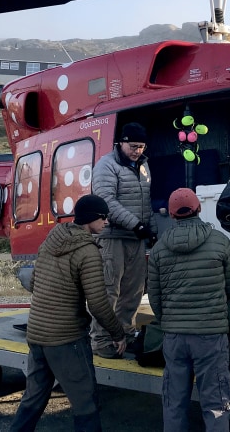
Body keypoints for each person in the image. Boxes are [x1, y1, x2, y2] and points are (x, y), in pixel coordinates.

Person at [10, 195, 127, 432]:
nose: (107, 222)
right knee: (86, 403)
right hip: (66, 339)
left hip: (37, 336)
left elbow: (34, 283)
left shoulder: (50, 241)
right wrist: (118, 333)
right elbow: (97, 304)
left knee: (33, 398)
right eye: (103, 217)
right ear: (91, 218)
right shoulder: (87, 252)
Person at [148, 188, 230, 432]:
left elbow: (154, 296)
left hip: (175, 337)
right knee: (215, 403)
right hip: (211, 335)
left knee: (174, 401)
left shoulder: (158, 249)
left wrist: (170, 321)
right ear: (198, 209)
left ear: (173, 215)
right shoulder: (220, 242)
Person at [91, 122, 157, 358]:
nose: (137, 151)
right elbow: (106, 201)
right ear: (121, 142)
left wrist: (149, 227)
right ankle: (101, 341)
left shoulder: (143, 165)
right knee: (109, 290)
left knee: (134, 290)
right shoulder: (106, 166)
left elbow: (145, 201)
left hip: (135, 238)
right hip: (113, 237)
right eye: (133, 146)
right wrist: (136, 224)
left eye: (141, 146)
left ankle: (127, 335)